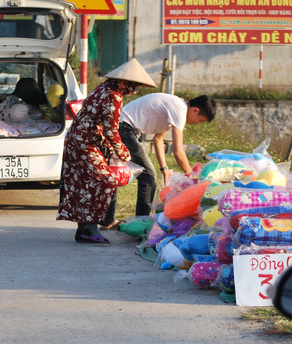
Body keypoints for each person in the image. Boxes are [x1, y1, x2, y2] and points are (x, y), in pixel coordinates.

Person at [56, 59, 157, 244]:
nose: (136, 90)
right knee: (106, 181)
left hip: (79, 140)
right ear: (126, 82)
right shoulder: (114, 96)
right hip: (84, 143)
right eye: (136, 86)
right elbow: (111, 130)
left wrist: (111, 151)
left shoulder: (102, 88)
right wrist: (124, 154)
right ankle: (90, 228)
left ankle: (84, 229)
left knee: (84, 183)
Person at [100, 93, 217, 228]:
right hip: (123, 128)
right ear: (195, 110)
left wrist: (165, 170)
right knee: (148, 176)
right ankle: (140, 224)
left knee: (116, 172)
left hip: (120, 126)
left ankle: (108, 221)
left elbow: (158, 139)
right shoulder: (179, 108)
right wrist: (192, 175)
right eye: (200, 120)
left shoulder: (175, 107)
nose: (197, 123)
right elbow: (178, 151)